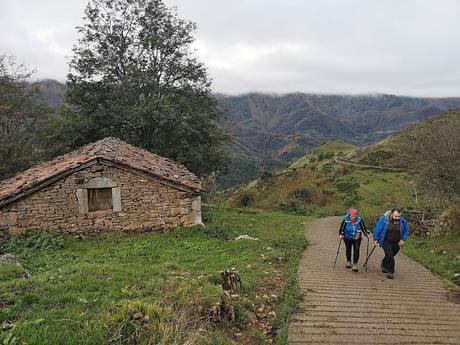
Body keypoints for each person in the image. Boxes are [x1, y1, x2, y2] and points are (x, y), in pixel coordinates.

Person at [373, 208, 409, 279]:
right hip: (386, 241)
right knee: (390, 256)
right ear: (391, 214)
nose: (397, 218)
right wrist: (376, 239)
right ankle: (390, 272)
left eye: (399, 216)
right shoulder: (384, 220)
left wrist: (403, 239)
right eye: (396, 216)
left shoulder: (402, 221)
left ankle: (383, 263)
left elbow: (406, 230)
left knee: (390, 255)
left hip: (397, 242)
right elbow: (377, 229)